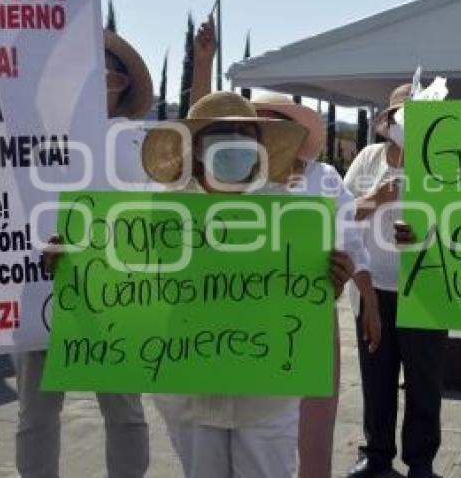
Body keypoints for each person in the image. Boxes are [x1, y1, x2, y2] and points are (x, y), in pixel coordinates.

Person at [21, 0, 212, 478]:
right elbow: (12, 64)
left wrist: (202, 64)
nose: (94, 77)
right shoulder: (36, 127)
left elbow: (195, 139)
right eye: (81, 63)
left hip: (114, 286)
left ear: (123, 83)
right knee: (37, 412)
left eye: (105, 70)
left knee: (123, 410)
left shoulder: (137, 139)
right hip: (42, 280)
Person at [139, 91, 357, 478]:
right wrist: (72, 262)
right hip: (188, 389)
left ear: (259, 145)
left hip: (267, 393)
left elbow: (308, 289)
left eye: (245, 132)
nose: (235, 141)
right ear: (196, 145)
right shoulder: (157, 207)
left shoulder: (290, 212)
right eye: (221, 132)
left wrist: (332, 281)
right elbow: (125, 278)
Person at [252, 94, 382, 478]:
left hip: (313, 319)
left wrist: (370, 303)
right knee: (258, 436)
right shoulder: (233, 179)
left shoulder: (324, 177)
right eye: (258, 127)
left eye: (275, 125)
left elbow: (353, 242)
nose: (267, 135)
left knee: (316, 432)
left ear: (294, 132)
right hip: (251, 322)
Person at [345, 85, 447, 478]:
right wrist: (376, 198)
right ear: (386, 123)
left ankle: (421, 461)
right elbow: (341, 216)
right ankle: (376, 454)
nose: (405, 124)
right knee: (376, 377)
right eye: (400, 116)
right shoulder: (368, 158)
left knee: (425, 381)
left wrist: (425, 235)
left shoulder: (444, 162)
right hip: (375, 290)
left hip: (427, 288)